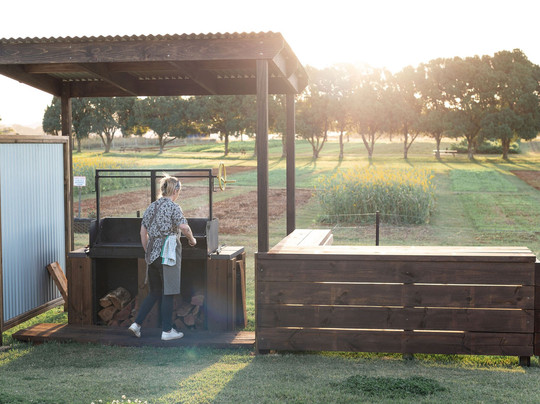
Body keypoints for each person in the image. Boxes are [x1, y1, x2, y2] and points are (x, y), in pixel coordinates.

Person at [128, 174, 196, 341]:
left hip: (153, 254)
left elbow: (143, 233)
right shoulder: (174, 207)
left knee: (154, 292)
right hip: (168, 254)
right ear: (176, 190)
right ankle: (167, 331)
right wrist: (192, 240)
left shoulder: (151, 207)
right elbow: (184, 227)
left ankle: (136, 325)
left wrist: (148, 251)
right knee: (168, 292)